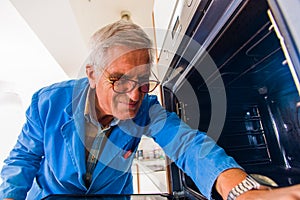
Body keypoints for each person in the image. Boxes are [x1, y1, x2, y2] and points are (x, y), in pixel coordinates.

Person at [1, 19, 300, 200]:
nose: (133, 95)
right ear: (92, 74)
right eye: (119, 80)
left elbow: (186, 143)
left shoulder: (146, 108)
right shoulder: (48, 102)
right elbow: (22, 161)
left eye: (143, 81)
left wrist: (242, 191)